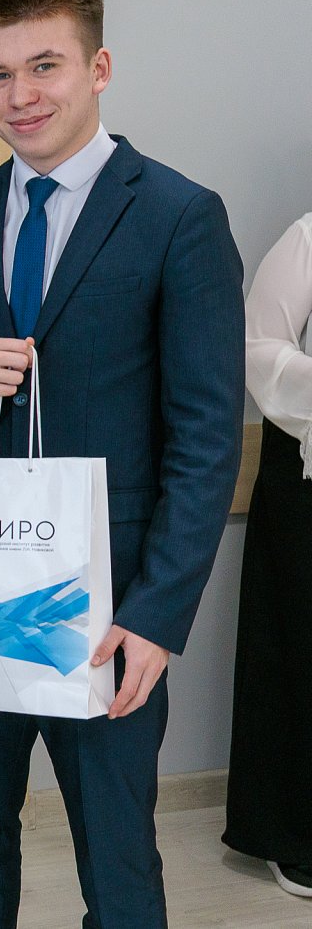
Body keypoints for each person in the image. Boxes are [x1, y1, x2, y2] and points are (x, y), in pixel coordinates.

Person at [0, 0, 244, 928]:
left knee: (118, 862)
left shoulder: (179, 215)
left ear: (98, 68)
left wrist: (157, 615)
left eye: (43, 66)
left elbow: (206, 437)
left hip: (108, 608)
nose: (20, 95)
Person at [223, 213, 312, 898]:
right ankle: (293, 833)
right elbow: (255, 345)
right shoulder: (310, 237)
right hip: (304, 473)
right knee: (298, 651)